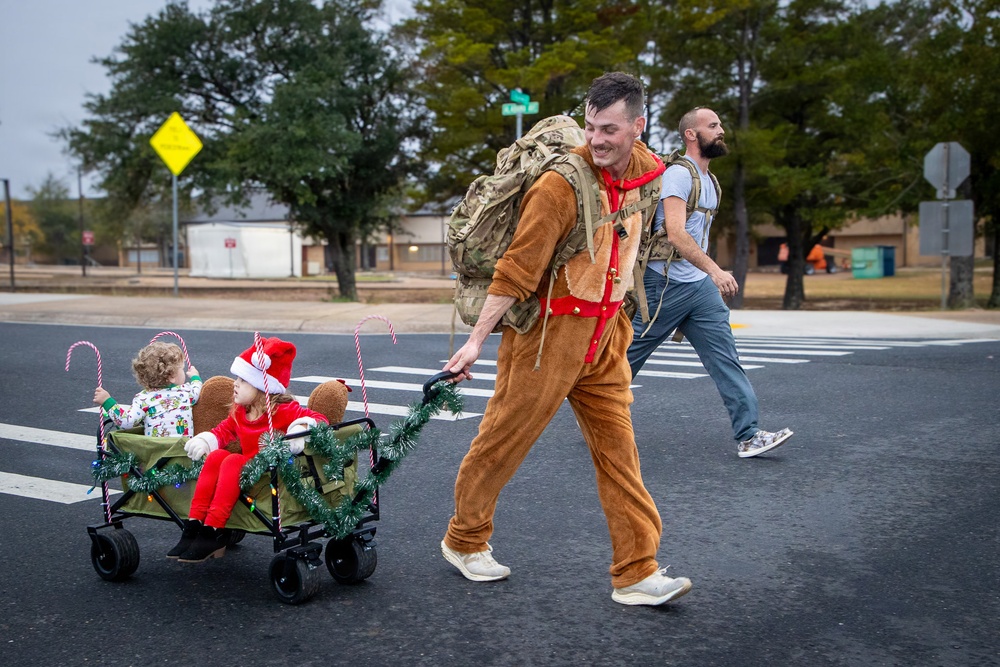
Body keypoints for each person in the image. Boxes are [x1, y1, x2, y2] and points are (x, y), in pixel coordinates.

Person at [440, 72, 692, 607]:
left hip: (606, 338)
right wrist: (476, 340)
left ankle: (636, 572)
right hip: (547, 337)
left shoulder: (650, 176)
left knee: (620, 455)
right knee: (502, 442)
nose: (598, 139)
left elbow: (640, 253)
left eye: (610, 130)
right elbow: (516, 270)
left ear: (638, 126)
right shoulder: (560, 184)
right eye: (591, 127)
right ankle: (464, 539)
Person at [626, 107, 793, 458]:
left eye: (720, 125)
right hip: (664, 285)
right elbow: (676, 233)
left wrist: (706, 275)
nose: (721, 131)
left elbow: (697, 239)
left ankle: (749, 435)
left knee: (725, 358)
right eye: (713, 126)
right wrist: (716, 270)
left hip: (697, 289)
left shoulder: (710, 181)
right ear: (691, 134)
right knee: (627, 359)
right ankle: (594, 407)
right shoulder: (678, 175)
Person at [168, 336, 328, 562]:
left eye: (242, 380)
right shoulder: (242, 411)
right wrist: (207, 440)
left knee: (232, 460)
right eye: (237, 378)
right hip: (245, 472)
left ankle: (215, 530)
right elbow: (224, 431)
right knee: (217, 456)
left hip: (269, 474)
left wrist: (299, 429)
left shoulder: (281, 410)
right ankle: (194, 525)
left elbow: (319, 419)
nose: (235, 384)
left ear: (263, 387)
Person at [93, 341, 202, 438]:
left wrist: (107, 401)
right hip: (183, 452)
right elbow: (198, 389)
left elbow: (126, 422)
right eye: (182, 369)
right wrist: (195, 376)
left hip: (155, 454)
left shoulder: (143, 398)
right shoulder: (185, 392)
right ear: (172, 376)